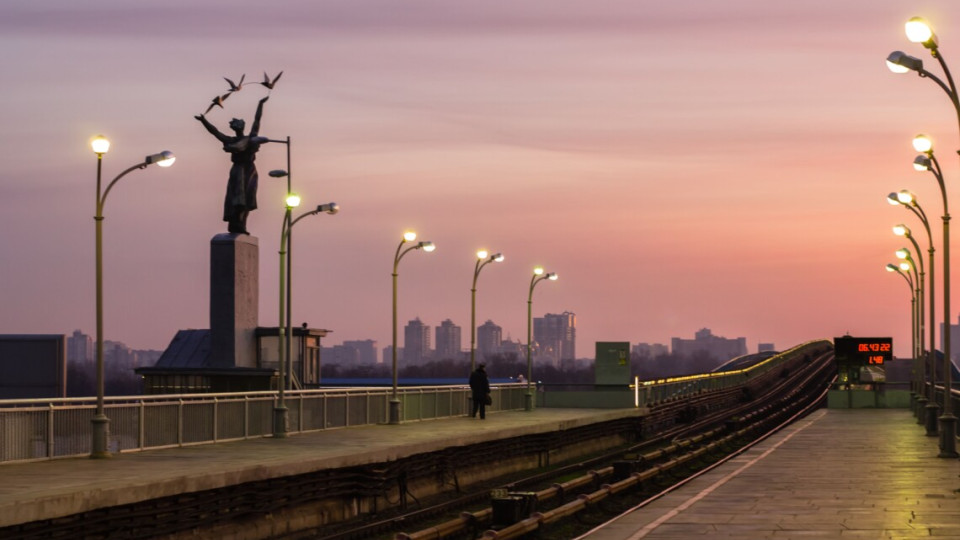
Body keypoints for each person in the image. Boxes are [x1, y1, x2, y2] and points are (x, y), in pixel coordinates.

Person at [195, 96, 269, 235]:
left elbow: (257, 120)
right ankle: (235, 223)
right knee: (238, 199)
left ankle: (242, 225)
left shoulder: (250, 138)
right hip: (238, 170)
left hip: (250, 171)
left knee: (248, 200)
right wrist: (204, 121)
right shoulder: (231, 140)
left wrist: (260, 104)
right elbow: (215, 132)